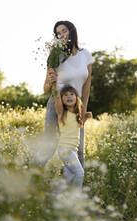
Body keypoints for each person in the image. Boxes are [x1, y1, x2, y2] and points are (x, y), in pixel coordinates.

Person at [44, 20, 94, 167]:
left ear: (72, 31)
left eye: (64, 31)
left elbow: (87, 83)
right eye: (58, 33)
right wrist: (50, 82)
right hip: (57, 104)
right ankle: (31, 180)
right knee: (49, 147)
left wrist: (84, 106)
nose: (61, 35)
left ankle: (76, 188)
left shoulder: (85, 54)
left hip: (76, 107)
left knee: (78, 150)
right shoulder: (55, 56)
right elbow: (46, 89)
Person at [53, 83, 92, 189]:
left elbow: (78, 126)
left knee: (67, 178)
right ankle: (75, 199)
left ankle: (55, 199)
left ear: (76, 97)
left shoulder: (77, 115)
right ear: (61, 99)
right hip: (65, 150)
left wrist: (86, 117)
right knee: (80, 173)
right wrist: (54, 84)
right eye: (65, 95)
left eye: (71, 94)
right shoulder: (62, 113)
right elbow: (56, 97)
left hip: (72, 150)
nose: (69, 96)